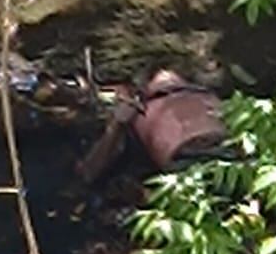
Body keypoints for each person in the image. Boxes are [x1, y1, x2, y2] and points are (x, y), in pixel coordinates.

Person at [78, 70, 230, 185]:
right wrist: (118, 124)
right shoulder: (136, 113)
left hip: (215, 152)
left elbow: (89, 172)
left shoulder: (203, 95)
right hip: (194, 157)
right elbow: (89, 172)